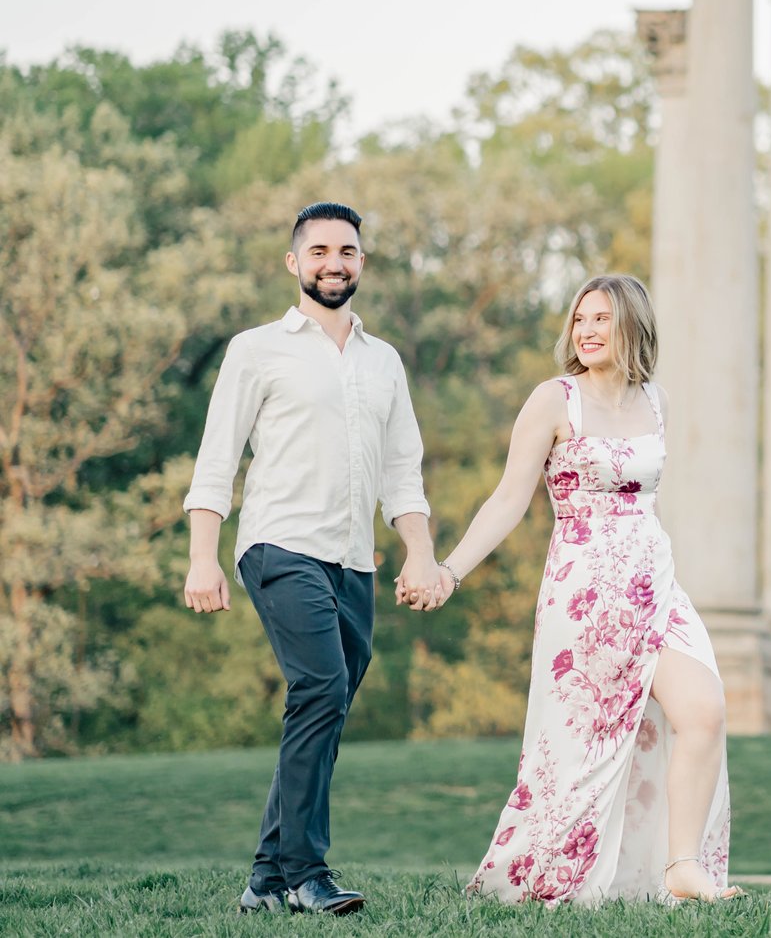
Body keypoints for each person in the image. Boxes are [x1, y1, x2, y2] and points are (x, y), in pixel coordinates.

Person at [422, 273, 737, 906]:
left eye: (601, 319)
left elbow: (641, 502)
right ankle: (545, 874)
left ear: (632, 328)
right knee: (580, 746)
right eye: (580, 320)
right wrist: (450, 569)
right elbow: (510, 498)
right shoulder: (553, 400)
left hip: (654, 584)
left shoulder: (658, 402)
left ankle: (682, 865)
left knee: (703, 711)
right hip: (584, 594)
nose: (586, 331)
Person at [183, 201, 441, 917]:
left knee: (322, 708)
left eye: (349, 250)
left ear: (362, 262)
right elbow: (216, 458)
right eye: (321, 250)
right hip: (279, 543)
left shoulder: (383, 360)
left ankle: (266, 876)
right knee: (321, 686)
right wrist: (203, 557)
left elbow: (403, 472)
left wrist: (419, 554)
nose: (336, 261)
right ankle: (306, 872)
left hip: (354, 559)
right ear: (295, 262)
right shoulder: (256, 348)